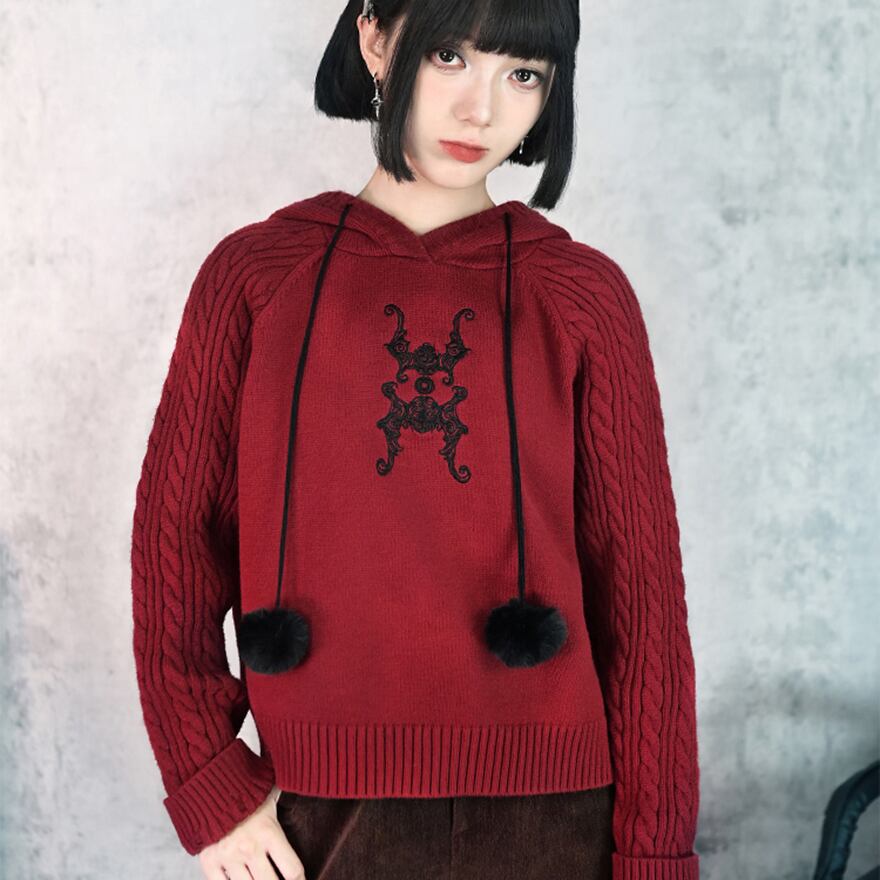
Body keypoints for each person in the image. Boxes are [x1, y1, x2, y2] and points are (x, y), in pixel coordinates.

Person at [130, 1, 702, 878]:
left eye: (522, 74)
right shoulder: (256, 277)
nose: (483, 109)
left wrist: (657, 853)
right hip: (315, 815)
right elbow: (174, 544)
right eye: (448, 56)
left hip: (558, 819)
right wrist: (210, 785)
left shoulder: (582, 296)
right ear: (373, 36)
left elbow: (643, 598)